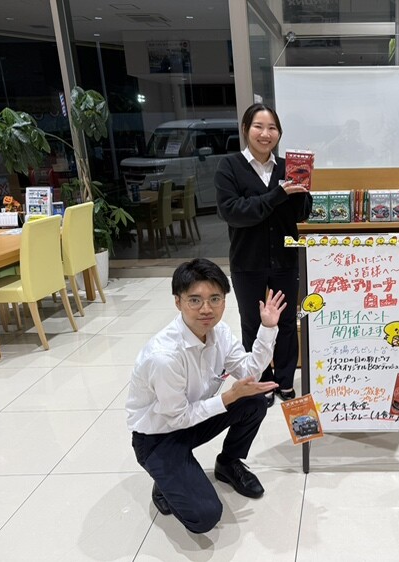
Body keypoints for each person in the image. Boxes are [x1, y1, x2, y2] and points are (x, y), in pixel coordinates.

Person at [126, 258, 287, 534]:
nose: (206, 309)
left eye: (215, 299)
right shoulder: (164, 357)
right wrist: (228, 397)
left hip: (193, 418)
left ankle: (228, 463)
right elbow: (177, 418)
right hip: (158, 435)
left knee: (254, 401)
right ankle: (164, 480)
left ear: (224, 300)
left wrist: (268, 328)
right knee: (205, 517)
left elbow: (249, 371)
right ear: (178, 302)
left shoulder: (218, 332)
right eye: (195, 300)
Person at [216, 103, 312, 407]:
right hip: (247, 261)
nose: (265, 133)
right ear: (246, 130)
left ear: (279, 133)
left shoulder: (287, 167)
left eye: (272, 128)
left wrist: (304, 189)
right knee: (253, 323)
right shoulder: (229, 167)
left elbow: (300, 215)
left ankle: (284, 380)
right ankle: (260, 380)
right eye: (258, 126)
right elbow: (233, 212)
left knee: (286, 322)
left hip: (285, 259)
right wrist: (277, 194)